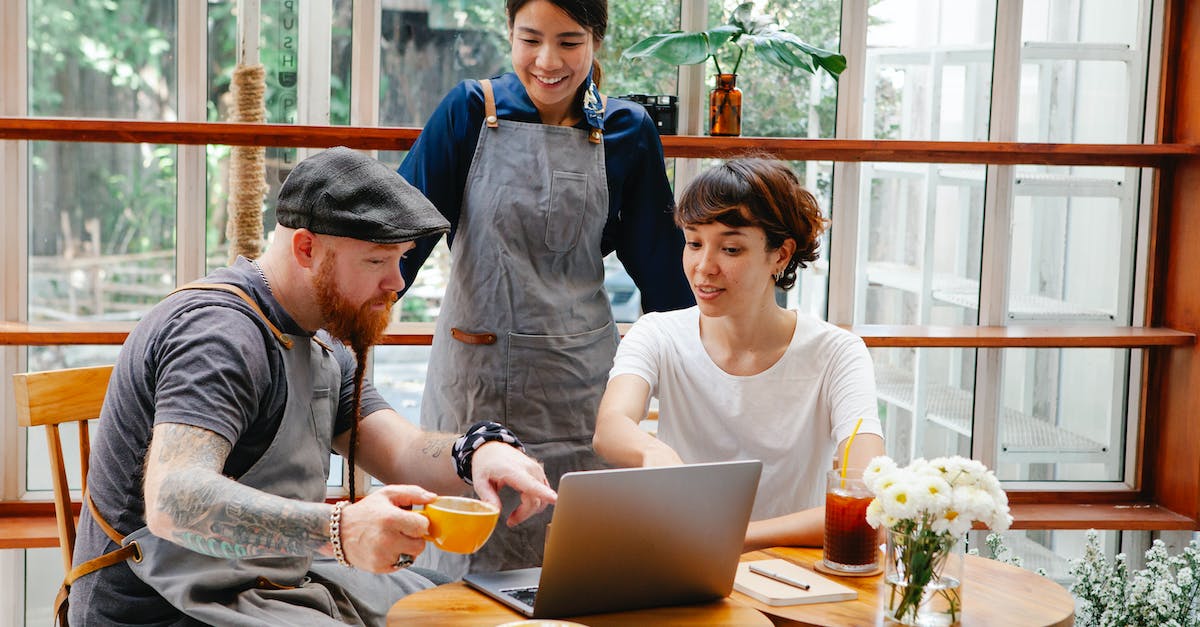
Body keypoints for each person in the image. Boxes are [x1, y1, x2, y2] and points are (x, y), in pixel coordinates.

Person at [66, 147, 558, 626]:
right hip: (162, 610)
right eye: (376, 261)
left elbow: (400, 447)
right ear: (306, 248)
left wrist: (477, 453)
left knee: (468, 608)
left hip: (267, 585)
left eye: (402, 259)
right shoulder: (219, 335)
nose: (397, 283)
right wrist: (339, 530)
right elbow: (175, 500)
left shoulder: (321, 336)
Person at [396, 0, 693, 576]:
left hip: (580, 388)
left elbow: (664, 276)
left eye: (569, 41)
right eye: (530, 39)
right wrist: (338, 328)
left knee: (580, 567)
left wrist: (710, 371)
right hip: (474, 386)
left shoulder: (627, 131)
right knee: (464, 569)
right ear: (509, 34)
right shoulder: (468, 111)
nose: (548, 61)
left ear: (596, 41)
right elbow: (401, 240)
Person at [592, 157, 886, 551]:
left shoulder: (837, 354)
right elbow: (610, 426)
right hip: (686, 562)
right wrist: (651, 450)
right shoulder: (659, 333)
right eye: (694, 243)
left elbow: (866, 500)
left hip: (796, 572)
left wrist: (729, 537)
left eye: (730, 248)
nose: (703, 267)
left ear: (780, 255)